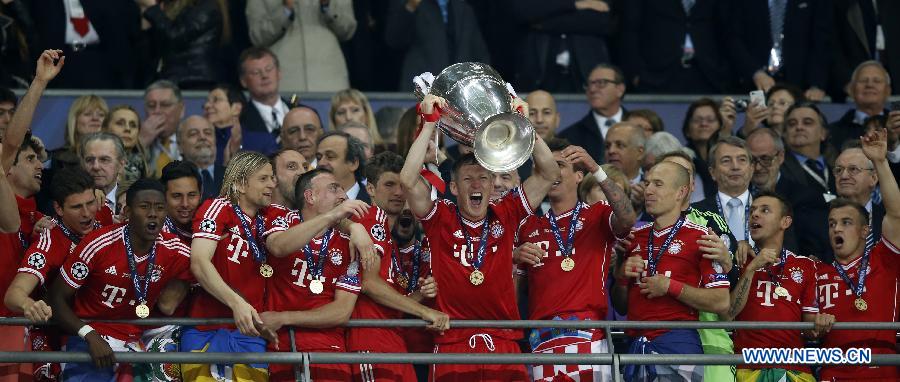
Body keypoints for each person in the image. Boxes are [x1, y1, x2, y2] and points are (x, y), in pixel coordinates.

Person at [400, 95, 560, 380]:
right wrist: (428, 125)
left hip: (504, 340)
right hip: (453, 342)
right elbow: (407, 180)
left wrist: (524, 126)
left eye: (484, 178)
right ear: (453, 187)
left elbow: (549, 172)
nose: (477, 184)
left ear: (492, 184)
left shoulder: (507, 212)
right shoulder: (441, 218)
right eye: (468, 179)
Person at [513, 140, 636, 382]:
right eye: (544, 167)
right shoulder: (527, 226)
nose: (552, 173)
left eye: (559, 165)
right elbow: (515, 295)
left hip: (590, 338)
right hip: (543, 341)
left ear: (580, 175)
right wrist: (513, 259)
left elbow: (628, 218)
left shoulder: (598, 214)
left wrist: (596, 168)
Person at [47, 179, 191, 380]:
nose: (153, 214)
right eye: (144, 207)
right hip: (91, 335)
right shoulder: (98, 244)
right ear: (128, 212)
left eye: (159, 208)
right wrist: (89, 335)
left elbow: (209, 269)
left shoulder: (176, 249)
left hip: (136, 340)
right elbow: (56, 298)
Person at [613, 161, 730, 382]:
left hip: (678, 344)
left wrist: (670, 287)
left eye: (658, 184)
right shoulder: (633, 238)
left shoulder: (703, 238)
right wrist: (621, 278)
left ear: (681, 192)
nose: (648, 190)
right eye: (647, 183)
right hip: (635, 347)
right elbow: (621, 306)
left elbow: (721, 302)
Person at [259, 168, 378, 382]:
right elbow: (278, 247)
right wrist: (335, 216)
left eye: (343, 190)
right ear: (310, 196)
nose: (344, 196)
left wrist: (285, 317)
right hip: (281, 345)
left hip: (329, 350)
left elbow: (341, 311)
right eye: (334, 189)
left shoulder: (348, 243)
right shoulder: (282, 219)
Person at [347, 152, 450, 381]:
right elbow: (369, 284)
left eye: (402, 185)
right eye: (389, 184)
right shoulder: (371, 219)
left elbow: (391, 303)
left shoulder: (388, 235)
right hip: (371, 340)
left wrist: (419, 295)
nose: (398, 192)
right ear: (371, 189)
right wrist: (425, 311)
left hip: (392, 340)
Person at [180, 151, 282, 381]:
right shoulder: (217, 208)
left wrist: (353, 228)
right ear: (240, 184)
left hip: (251, 333)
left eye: (273, 178)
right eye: (263, 179)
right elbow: (199, 262)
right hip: (206, 330)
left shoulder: (271, 216)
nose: (272, 184)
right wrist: (237, 304)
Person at [816, 128, 900, 381]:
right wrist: (813, 327)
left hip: (881, 366)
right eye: (832, 224)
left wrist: (881, 162)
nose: (837, 229)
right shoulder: (816, 271)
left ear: (866, 230)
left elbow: (896, 214)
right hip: (833, 369)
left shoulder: (884, 259)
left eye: (846, 223)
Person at [724, 191, 833, 382]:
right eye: (752, 211)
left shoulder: (805, 265)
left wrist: (821, 323)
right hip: (747, 368)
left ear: (785, 222)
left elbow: (810, 330)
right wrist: (751, 268)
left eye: (765, 210)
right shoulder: (738, 260)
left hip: (794, 369)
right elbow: (729, 313)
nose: (755, 215)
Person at [727, 0, 829, 101]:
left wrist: (816, 84)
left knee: (792, 116)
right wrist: (755, 72)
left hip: (799, 85)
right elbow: (734, 39)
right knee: (758, 114)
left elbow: (821, 42)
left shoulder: (813, 3)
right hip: (755, 83)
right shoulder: (744, 3)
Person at [622, 0, 731, 93]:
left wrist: (725, 70)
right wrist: (633, 72)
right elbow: (630, 29)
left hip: (707, 72)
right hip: (656, 73)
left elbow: (726, 28)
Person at [246, 0, 356, 92]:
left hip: (330, 80)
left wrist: (327, 6)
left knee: (333, 113)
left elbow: (347, 30)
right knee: (293, 112)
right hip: (287, 82)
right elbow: (257, 37)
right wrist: (285, 10)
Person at [745, 128, 820, 257]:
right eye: (752, 159)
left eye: (765, 159)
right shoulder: (739, 194)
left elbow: (809, 249)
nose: (757, 167)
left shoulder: (804, 197)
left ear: (780, 157)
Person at [384, 0, 490, 91]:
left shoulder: (463, 7)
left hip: (459, 92)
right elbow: (394, 39)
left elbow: (480, 53)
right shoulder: (411, 4)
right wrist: (410, 7)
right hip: (422, 89)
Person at [136, 0, 231, 88]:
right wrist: (146, 27)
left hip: (194, 80)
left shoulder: (207, 6)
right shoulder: (173, 6)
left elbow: (176, 36)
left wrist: (153, 9)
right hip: (170, 78)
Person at [829, 1, 900, 102]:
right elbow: (832, 47)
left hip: (896, 91)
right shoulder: (843, 6)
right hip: (855, 91)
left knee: (894, 116)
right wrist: (846, 81)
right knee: (864, 116)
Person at [560, 64, 626, 163]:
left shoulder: (640, 126)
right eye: (589, 84)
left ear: (620, 89)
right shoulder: (569, 137)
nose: (592, 89)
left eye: (601, 83)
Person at [829, 61, 893, 151]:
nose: (870, 85)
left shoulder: (896, 128)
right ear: (851, 90)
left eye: (877, 81)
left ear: (888, 91)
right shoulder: (833, 132)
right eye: (863, 81)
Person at [781, 103, 836, 197]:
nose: (799, 127)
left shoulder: (838, 166)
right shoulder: (778, 168)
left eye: (807, 122)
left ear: (823, 133)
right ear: (785, 134)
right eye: (792, 124)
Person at [237, 47, 288, 151]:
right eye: (256, 72)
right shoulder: (239, 120)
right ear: (243, 81)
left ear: (279, 73)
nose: (264, 75)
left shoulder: (303, 111)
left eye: (269, 69)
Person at [834, 145, 885, 238]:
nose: (844, 176)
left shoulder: (888, 218)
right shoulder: (819, 218)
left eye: (853, 169)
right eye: (839, 170)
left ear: (873, 178)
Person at [140, 80, 185, 178]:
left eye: (165, 105)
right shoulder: (135, 141)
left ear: (181, 109)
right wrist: (141, 143)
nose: (157, 111)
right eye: (151, 106)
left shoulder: (190, 138)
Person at [50, 95, 108, 170]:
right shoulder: (56, 158)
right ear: (74, 121)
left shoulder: (117, 157)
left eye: (101, 115)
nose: (95, 118)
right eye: (87, 114)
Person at [176, 116, 223, 200]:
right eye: (193, 134)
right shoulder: (172, 181)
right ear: (180, 146)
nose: (202, 137)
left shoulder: (234, 178)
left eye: (208, 133)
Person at [316, 131, 370, 202]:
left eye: (330, 156)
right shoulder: (309, 202)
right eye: (318, 158)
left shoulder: (376, 202)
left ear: (353, 163)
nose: (320, 163)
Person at [80, 132, 126, 214]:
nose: (96, 167)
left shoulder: (133, 200)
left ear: (120, 165)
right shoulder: (70, 202)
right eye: (89, 160)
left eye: (104, 160)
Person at [103, 105, 148, 186]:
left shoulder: (146, 167)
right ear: (105, 129)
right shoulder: (93, 164)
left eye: (133, 125)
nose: (127, 129)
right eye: (120, 123)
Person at [160, 160, 202, 244]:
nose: (185, 204)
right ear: (163, 197)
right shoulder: (155, 237)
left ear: (200, 195)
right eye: (177, 196)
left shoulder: (211, 228)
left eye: (191, 195)